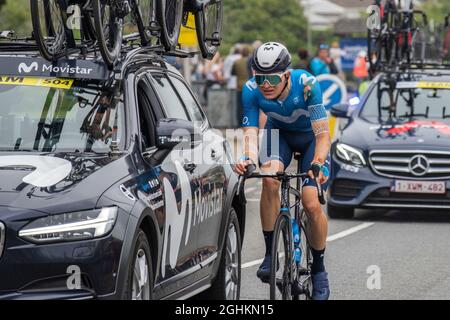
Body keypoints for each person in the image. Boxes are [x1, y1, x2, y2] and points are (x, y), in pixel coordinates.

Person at [234, 42, 331, 300]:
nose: (265, 84)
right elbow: (251, 134)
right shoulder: (251, 90)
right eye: (260, 77)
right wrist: (248, 159)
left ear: (287, 74)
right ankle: (269, 254)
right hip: (279, 136)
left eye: (273, 78)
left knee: (311, 203)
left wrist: (318, 162)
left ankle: (319, 270)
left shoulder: (308, 85)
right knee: (268, 179)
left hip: (311, 140)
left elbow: (323, 135)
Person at [232, 46, 252, 125]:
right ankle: (248, 123)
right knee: (249, 106)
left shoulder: (236, 62)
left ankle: (239, 123)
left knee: (239, 106)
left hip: (239, 87)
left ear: (241, 53)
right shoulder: (251, 62)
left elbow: (232, 73)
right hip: (249, 87)